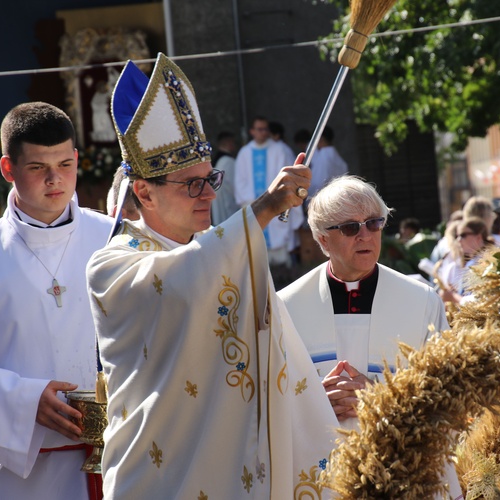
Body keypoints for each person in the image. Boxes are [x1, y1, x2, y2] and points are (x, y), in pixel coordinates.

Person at [87, 53, 336, 499]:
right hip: (159, 479)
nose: (206, 196)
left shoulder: (227, 253)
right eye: (191, 184)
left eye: (210, 179)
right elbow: (176, 285)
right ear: (144, 191)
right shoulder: (112, 265)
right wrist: (264, 208)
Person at [0, 102, 114, 500]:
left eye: (65, 165)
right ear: (8, 169)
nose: (54, 180)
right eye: (37, 168)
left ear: (77, 159)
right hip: (19, 479)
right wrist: (25, 403)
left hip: (118, 464)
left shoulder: (114, 241)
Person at [277, 176, 461, 499]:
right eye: (350, 227)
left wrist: (379, 397)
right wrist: (312, 402)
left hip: (402, 470)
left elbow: (449, 394)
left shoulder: (421, 302)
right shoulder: (286, 307)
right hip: (320, 476)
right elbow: (264, 402)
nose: (365, 235)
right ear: (322, 239)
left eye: (374, 224)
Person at [235, 116, 303, 266]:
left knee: (280, 246)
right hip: (253, 204)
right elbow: (240, 181)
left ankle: (285, 273)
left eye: (266, 129)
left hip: (278, 203)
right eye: (259, 129)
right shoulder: (244, 153)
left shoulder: (280, 149)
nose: (263, 132)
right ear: (252, 131)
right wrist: (253, 201)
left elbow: (289, 177)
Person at [307, 126, 348, 199]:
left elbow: (318, 183)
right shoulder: (334, 155)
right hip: (339, 197)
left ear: (320, 139)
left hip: (324, 199)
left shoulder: (324, 156)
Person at [210, 131, 239, 225]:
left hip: (217, 199)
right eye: (233, 142)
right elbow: (234, 185)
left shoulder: (217, 160)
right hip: (226, 200)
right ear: (229, 143)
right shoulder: (228, 161)